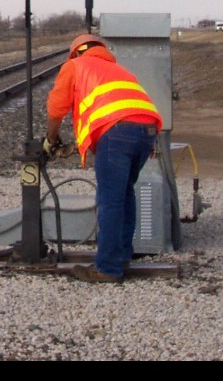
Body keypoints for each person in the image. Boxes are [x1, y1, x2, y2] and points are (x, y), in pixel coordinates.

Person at [43, 34, 163, 282]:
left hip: (117, 132)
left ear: (76, 52)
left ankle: (108, 268)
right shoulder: (118, 70)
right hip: (147, 130)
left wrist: (51, 138)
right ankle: (121, 254)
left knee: (110, 200)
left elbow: (56, 108)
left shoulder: (75, 66)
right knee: (125, 193)